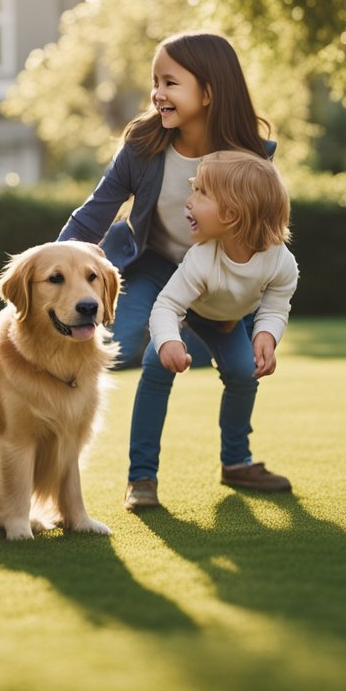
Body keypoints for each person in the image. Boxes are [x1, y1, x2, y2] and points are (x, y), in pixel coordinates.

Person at [57, 31, 276, 372]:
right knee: (119, 347)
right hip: (151, 262)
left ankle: (182, 338)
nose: (157, 94)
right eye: (155, 82)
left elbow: (262, 240)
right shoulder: (142, 146)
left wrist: (246, 306)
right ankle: (160, 338)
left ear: (208, 92)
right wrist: (45, 269)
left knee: (236, 363)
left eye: (170, 83)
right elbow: (92, 216)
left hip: (212, 274)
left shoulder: (251, 158)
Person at [123, 151, 298, 511]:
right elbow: (167, 306)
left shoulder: (280, 260)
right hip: (189, 312)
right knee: (156, 366)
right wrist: (169, 341)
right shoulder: (201, 257)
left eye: (201, 193)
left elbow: (276, 304)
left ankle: (236, 462)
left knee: (243, 372)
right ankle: (141, 476)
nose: (188, 201)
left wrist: (266, 335)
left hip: (229, 320)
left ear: (232, 214)